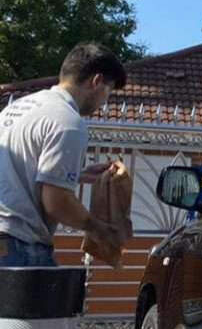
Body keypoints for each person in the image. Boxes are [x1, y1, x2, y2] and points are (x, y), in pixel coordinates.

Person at [0, 43, 127, 267]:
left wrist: (78, 175)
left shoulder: (17, 108)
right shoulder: (69, 122)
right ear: (96, 82)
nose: (105, 102)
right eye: (108, 91)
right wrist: (99, 228)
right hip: (17, 246)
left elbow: (17, 167)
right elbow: (56, 202)